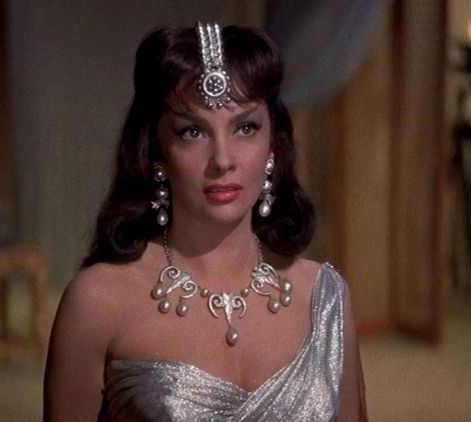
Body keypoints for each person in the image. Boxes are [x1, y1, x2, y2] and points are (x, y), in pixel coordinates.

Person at [43, 22, 366, 421]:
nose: (223, 160)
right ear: (156, 151)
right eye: (193, 132)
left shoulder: (325, 300)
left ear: (273, 148)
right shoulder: (97, 302)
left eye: (245, 128)